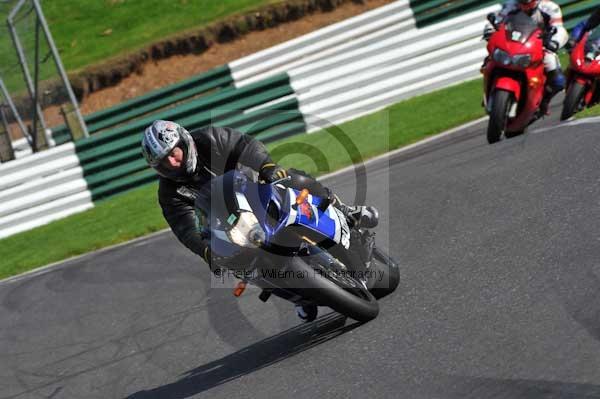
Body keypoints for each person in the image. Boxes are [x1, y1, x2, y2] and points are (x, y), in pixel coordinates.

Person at [141, 120, 379, 321]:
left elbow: (245, 145)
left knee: (296, 180)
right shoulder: (170, 194)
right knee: (239, 265)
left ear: (184, 142)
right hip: (229, 227)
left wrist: (267, 167)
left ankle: (346, 211)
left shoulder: (208, 139)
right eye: (164, 162)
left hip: (256, 192)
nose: (173, 163)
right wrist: (207, 253)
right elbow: (186, 230)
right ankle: (296, 293)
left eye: (173, 153)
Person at [484, 0, 569, 114]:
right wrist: (490, 29)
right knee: (490, 60)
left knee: (558, 79)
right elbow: (497, 21)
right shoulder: (510, 5)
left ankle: (544, 101)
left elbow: (559, 29)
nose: (525, 3)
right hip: (513, 43)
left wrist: (554, 42)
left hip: (540, 46)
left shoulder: (550, 8)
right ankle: (488, 91)